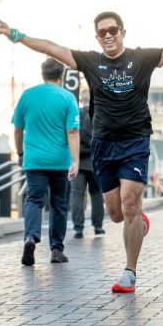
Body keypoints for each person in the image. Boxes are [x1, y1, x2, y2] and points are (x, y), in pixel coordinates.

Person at [0, 12, 163, 292]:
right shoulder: (90, 61)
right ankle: (138, 223)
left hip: (135, 141)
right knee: (117, 213)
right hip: (103, 145)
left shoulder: (141, 58)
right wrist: (16, 35)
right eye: (102, 33)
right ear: (97, 37)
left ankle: (129, 273)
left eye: (113, 30)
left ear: (123, 32)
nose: (108, 36)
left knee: (130, 204)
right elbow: (51, 48)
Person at [13, 57, 80, 266]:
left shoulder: (27, 95)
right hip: (60, 161)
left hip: (34, 160)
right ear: (62, 76)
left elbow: (17, 128)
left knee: (34, 199)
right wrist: (75, 160)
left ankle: (30, 237)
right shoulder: (68, 98)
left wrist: (19, 152)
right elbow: (72, 130)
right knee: (59, 204)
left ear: (43, 75)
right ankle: (56, 250)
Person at [70, 88, 106, 238]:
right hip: (95, 161)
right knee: (96, 194)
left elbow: (70, 133)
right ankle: (98, 226)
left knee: (77, 194)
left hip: (78, 161)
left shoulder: (75, 114)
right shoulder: (99, 114)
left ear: (81, 100)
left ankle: (78, 228)